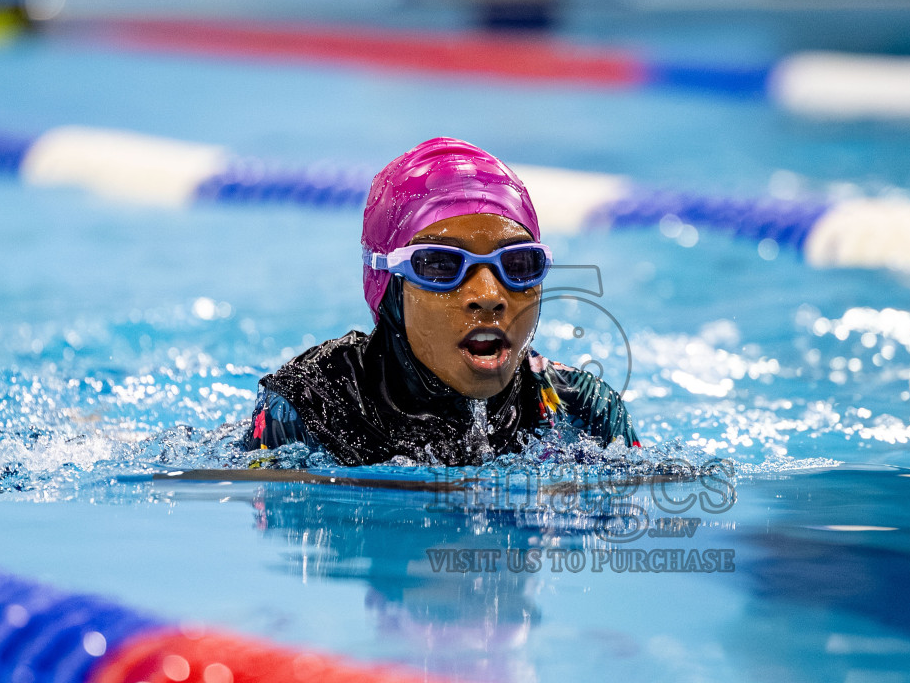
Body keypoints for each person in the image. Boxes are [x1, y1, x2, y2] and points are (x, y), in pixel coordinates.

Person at [242, 137, 636, 466]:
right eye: (440, 265)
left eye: (517, 263)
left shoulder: (582, 412)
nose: (489, 296)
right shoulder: (314, 406)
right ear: (388, 287)